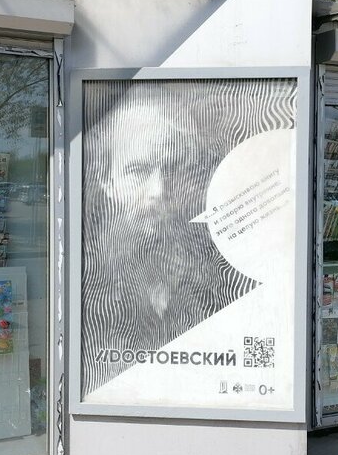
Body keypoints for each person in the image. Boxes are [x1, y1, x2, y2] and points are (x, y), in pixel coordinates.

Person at [80, 86, 258, 395]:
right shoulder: (88, 276)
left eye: (172, 168)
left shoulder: (221, 266)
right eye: (138, 171)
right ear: (108, 181)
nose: (158, 191)